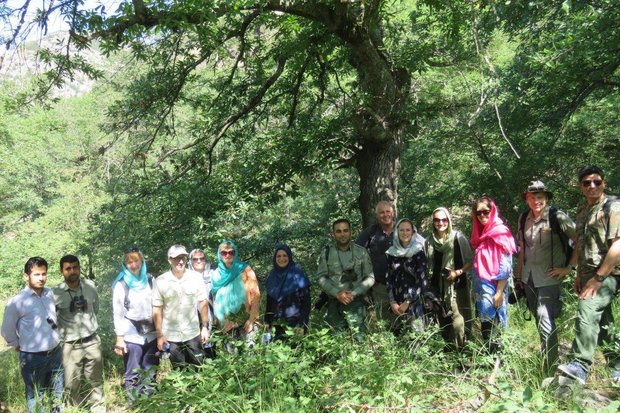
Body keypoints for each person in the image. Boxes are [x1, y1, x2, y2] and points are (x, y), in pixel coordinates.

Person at [558, 166, 620, 384]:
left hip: (608, 273)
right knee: (602, 320)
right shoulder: (583, 209)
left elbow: (618, 247)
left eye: (597, 182)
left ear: (603, 183)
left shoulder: (613, 206)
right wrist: (577, 274)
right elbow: (581, 245)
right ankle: (618, 365)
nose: (592, 186)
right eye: (587, 183)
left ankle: (580, 365)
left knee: (587, 310)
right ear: (580, 186)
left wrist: (598, 278)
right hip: (587, 273)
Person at [514, 181, 577, 373]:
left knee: (544, 316)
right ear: (527, 199)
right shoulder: (524, 218)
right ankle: (547, 354)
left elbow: (580, 239)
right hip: (528, 277)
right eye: (532, 197)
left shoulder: (557, 217)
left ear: (546, 198)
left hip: (549, 277)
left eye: (540, 197)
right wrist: (518, 277)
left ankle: (551, 365)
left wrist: (569, 268)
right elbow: (523, 249)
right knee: (537, 316)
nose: (536, 201)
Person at [1, 257, 63, 413]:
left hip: (56, 353)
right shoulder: (17, 301)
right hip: (33, 358)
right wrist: (17, 345)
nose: (41, 278)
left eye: (44, 274)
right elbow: (7, 330)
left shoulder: (49, 294)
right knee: (36, 397)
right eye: (36, 274)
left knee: (57, 393)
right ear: (26, 276)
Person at [52, 255, 105, 413]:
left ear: (79, 268)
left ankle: (98, 408)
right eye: (68, 268)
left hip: (92, 341)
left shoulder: (90, 286)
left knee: (95, 380)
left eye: (75, 267)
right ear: (62, 271)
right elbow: (52, 319)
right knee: (71, 384)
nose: (72, 271)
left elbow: (95, 308)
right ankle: (75, 409)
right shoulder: (56, 293)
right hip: (70, 345)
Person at [470, 196, 517, 353]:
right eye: (479, 213)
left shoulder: (500, 232)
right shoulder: (482, 234)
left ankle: (497, 361)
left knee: (493, 324)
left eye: (486, 212)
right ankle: (490, 360)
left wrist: (499, 291)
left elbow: (506, 264)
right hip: (481, 287)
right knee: (486, 324)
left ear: (493, 211)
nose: (482, 216)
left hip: (494, 287)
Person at [112, 247, 158, 402]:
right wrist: (119, 339)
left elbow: (158, 306)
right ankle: (135, 402)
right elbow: (117, 313)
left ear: (142, 261)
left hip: (151, 333)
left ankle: (150, 401)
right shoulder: (121, 284)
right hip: (131, 334)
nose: (133, 265)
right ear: (125, 264)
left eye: (136, 260)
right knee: (133, 371)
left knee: (150, 369)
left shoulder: (151, 280)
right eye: (129, 262)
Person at [152, 245, 210, 369]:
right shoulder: (161, 281)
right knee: (179, 371)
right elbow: (157, 309)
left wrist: (205, 327)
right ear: (169, 260)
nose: (181, 261)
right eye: (177, 258)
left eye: (183, 257)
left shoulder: (195, 278)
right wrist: (159, 335)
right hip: (172, 337)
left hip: (193, 334)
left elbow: (203, 302)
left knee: (199, 369)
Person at [426, 207, 474, 349]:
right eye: (437, 220)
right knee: (442, 321)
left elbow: (470, 261)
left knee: (458, 321)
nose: (440, 223)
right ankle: (450, 352)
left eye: (444, 219)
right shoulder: (428, 241)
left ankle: (464, 350)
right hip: (436, 288)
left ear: (448, 220)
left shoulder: (458, 238)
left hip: (456, 286)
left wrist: (457, 272)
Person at [317, 219, 375, 337]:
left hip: (357, 303)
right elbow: (321, 277)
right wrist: (337, 293)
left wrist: (353, 293)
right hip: (334, 303)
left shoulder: (361, 252)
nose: (342, 234)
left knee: (359, 339)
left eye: (345, 230)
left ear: (351, 232)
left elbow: (370, 278)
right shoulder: (327, 252)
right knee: (336, 340)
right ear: (333, 233)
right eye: (338, 231)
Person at [211, 240, 261, 348]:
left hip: (246, 321)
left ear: (235, 253)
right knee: (231, 359)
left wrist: (251, 320)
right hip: (226, 325)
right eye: (224, 253)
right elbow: (215, 301)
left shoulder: (245, 270)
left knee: (250, 355)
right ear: (219, 255)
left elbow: (256, 296)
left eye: (231, 252)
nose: (228, 255)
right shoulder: (215, 275)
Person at [385, 218, 428, 335]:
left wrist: (408, 301)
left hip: (414, 302)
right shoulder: (391, 253)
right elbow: (389, 278)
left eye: (408, 230)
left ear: (413, 232)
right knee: (397, 337)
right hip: (396, 303)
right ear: (397, 232)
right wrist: (392, 301)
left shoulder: (419, 252)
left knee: (417, 336)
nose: (405, 233)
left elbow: (422, 281)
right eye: (402, 230)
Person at [356, 201, 395, 323]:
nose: (385, 215)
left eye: (388, 211)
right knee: (386, 322)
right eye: (381, 212)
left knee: (404, 320)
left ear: (393, 213)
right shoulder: (371, 232)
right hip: (380, 286)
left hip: (402, 285)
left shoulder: (402, 229)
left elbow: (420, 244)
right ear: (377, 216)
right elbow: (355, 251)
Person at [264, 243, 311, 342]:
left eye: (285, 255)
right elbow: (270, 304)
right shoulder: (272, 276)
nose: (282, 259)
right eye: (278, 256)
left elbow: (306, 304)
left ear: (289, 256)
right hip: (276, 325)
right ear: (275, 258)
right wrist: (267, 322)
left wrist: (302, 325)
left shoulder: (298, 275)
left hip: (295, 325)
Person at [188, 248, 215, 357]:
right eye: (195, 259)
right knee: (198, 353)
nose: (199, 261)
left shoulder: (214, 275)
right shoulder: (186, 277)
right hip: (195, 320)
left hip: (213, 319)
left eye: (202, 258)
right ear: (191, 261)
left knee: (212, 352)